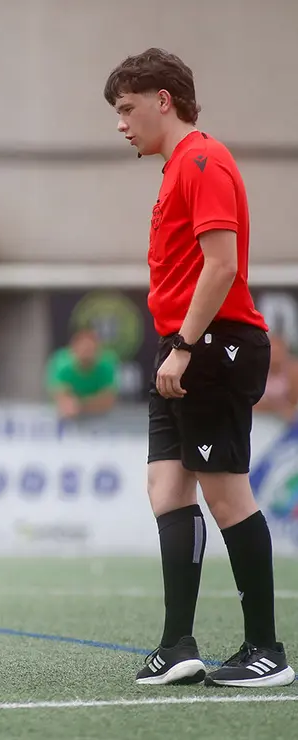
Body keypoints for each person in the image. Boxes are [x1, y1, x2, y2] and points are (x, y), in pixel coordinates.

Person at [105, 48, 293, 688]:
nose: (122, 124)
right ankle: (178, 644)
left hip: (213, 343)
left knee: (225, 491)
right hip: (184, 343)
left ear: (164, 99)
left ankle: (266, 650)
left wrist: (184, 343)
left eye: (128, 109)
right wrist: (175, 343)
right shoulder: (178, 166)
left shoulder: (204, 160)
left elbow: (223, 265)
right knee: (166, 490)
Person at [46, 326, 119, 420]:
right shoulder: (62, 365)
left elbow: (108, 400)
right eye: (83, 349)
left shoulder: (107, 365)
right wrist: (70, 404)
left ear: (98, 350)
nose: (86, 354)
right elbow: (63, 399)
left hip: (101, 418)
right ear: (73, 349)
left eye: (90, 350)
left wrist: (80, 406)